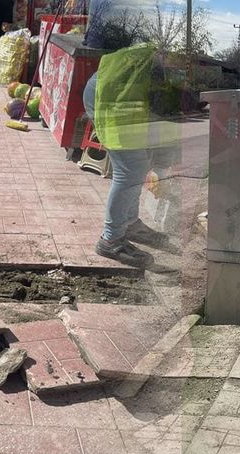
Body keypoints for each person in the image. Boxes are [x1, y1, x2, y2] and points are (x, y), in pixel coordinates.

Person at [82, 0, 173, 269]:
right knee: (130, 170)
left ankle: (130, 224)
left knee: (137, 165)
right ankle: (111, 240)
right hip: (114, 96)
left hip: (117, 92)